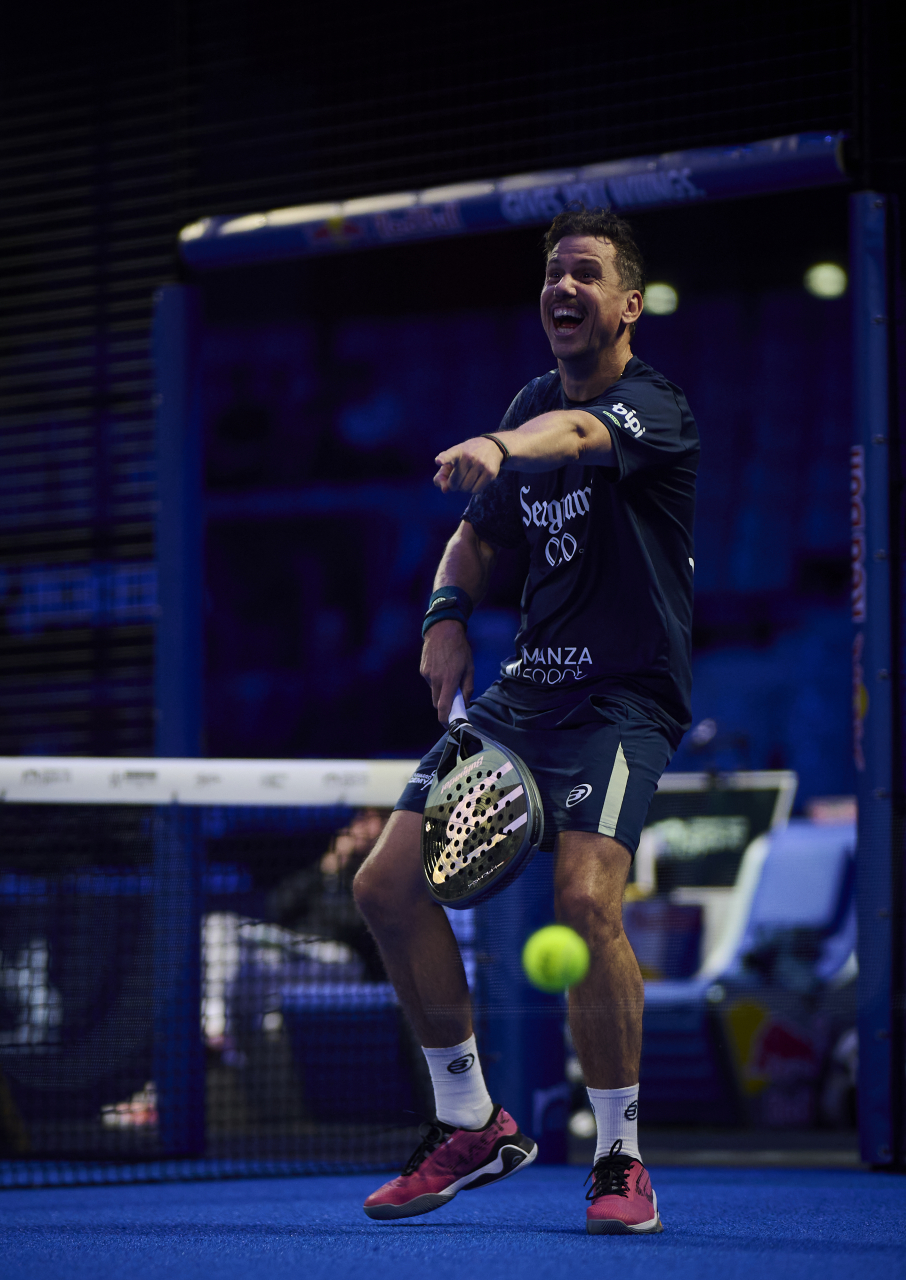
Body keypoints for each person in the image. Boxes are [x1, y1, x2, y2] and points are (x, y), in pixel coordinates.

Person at [354, 206, 699, 1234]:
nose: (563, 287)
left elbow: (573, 437)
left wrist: (502, 444)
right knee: (382, 884)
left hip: (622, 701)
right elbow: (470, 540)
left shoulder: (651, 407)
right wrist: (445, 616)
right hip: (521, 697)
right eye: (553, 273)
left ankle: (618, 1158)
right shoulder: (528, 400)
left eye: (586, 273)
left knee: (587, 898)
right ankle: (470, 1119)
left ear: (627, 305)